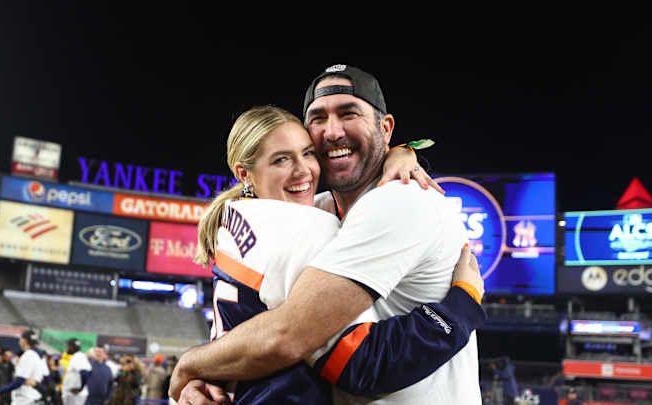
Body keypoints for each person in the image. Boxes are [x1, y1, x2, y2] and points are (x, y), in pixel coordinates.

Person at [171, 96, 484, 402]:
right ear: (244, 174)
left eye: (307, 153)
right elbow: (362, 365)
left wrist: (401, 153)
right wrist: (462, 306)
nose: (303, 170)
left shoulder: (237, 218)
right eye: (281, 159)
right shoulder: (297, 228)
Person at [0, 329, 49, 405]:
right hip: (35, 398)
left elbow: (19, 381)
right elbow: (47, 379)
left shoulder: (28, 355)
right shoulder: (41, 357)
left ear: (24, 341)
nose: (19, 341)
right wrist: (36, 383)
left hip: (25, 399)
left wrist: (0, 391)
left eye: (20, 339)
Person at [61, 339, 91, 405]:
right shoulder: (78, 356)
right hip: (74, 394)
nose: (67, 348)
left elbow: (85, 373)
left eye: (68, 346)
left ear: (71, 347)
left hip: (75, 395)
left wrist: (80, 388)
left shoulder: (78, 356)